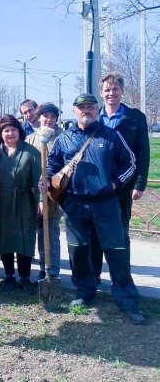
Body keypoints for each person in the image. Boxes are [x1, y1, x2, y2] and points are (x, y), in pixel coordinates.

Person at [46, 93, 143, 324]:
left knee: (116, 250)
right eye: (81, 107)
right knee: (78, 250)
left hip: (106, 204)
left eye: (90, 106)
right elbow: (52, 165)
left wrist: (115, 183)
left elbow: (130, 162)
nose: (86, 110)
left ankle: (126, 299)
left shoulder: (111, 135)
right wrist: (47, 179)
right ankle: (84, 292)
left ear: (97, 110)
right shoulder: (64, 139)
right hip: (74, 204)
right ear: (74, 111)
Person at [92, 73, 150, 283]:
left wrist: (140, 183)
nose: (111, 93)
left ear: (122, 91)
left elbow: (143, 152)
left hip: (124, 184)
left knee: (120, 230)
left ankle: (121, 276)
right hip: (97, 184)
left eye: (115, 89)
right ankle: (95, 275)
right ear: (101, 93)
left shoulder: (135, 117)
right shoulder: (95, 117)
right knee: (95, 230)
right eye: (107, 90)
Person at [0, 115, 41, 295]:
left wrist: (40, 200)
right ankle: (9, 275)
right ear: (0, 133)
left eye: (13, 130)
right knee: (5, 237)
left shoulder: (31, 152)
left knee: (25, 238)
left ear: (19, 131)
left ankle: (25, 277)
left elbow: (38, 180)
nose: (10, 133)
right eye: (6, 130)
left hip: (25, 200)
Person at [25, 103, 63, 281]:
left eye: (52, 117)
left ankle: (51, 270)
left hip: (54, 193)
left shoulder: (62, 139)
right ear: (38, 117)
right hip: (33, 192)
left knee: (50, 232)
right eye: (45, 116)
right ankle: (41, 267)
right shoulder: (30, 139)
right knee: (39, 232)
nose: (48, 120)